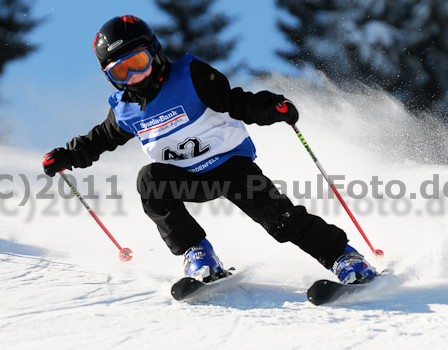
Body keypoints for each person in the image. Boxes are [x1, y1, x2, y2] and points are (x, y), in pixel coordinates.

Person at [42, 15, 376, 285]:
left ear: (155, 52)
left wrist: (270, 108)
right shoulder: (126, 109)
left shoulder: (189, 75)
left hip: (232, 168)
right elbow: (99, 139)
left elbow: (235, 101)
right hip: (187, 179)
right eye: (120, 72)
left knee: (280, 221)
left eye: (138, 63)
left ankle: (345, 258)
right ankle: (198, 253)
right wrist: (66, 157)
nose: (134, 77)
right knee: (150, 181)